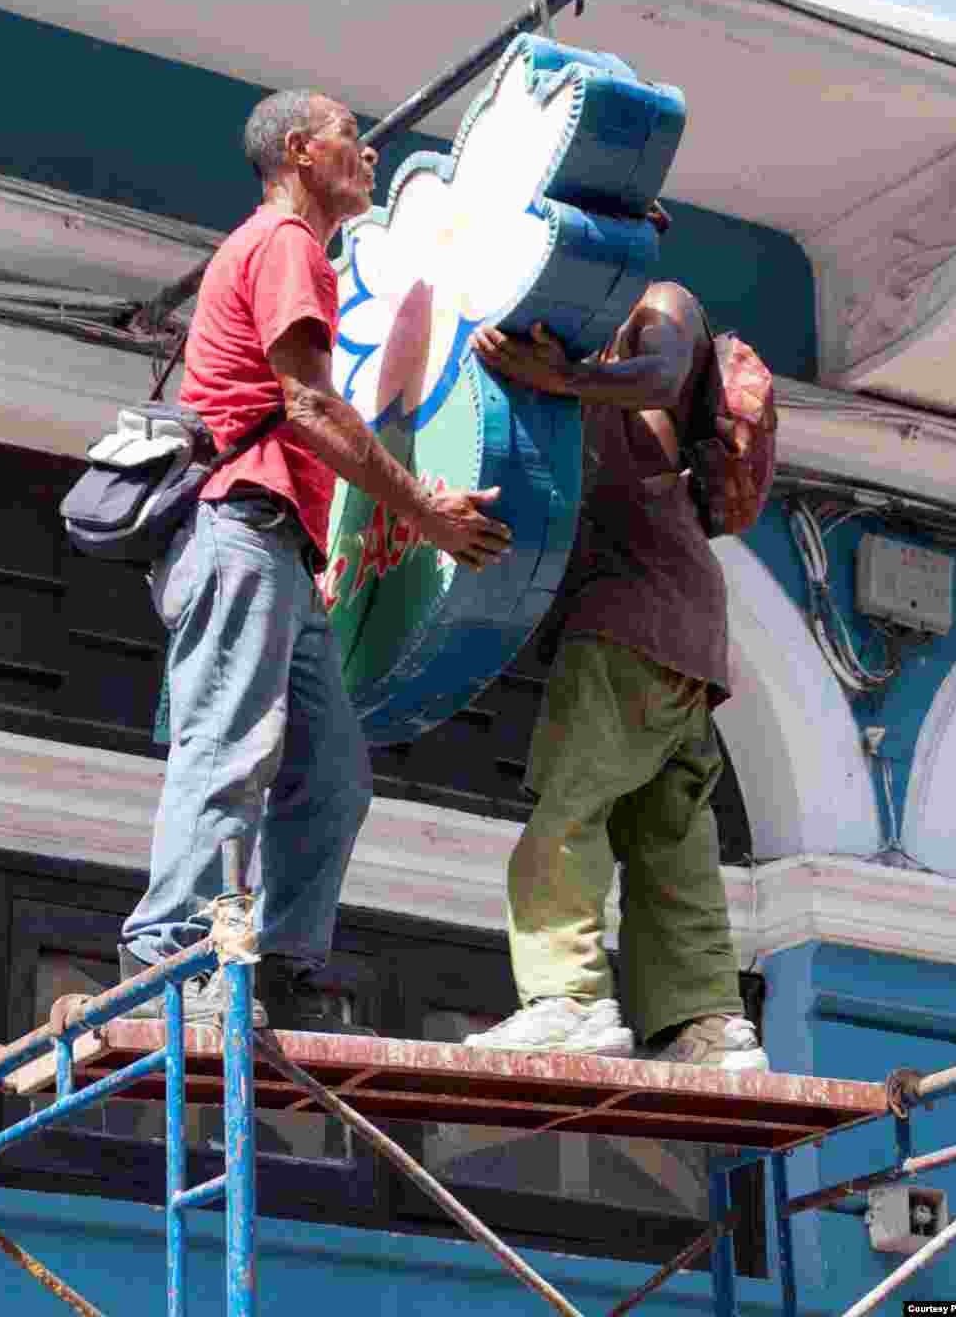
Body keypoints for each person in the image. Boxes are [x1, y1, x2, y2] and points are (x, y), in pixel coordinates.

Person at [119, 90, 512, 1026]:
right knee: (229, 744)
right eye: (353, 139)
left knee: (331, 775)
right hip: (241, 531)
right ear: (300, 150)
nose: (371, 156)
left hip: (275, 547)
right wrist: (423, 511)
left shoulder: (289, 248)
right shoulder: (285, 244)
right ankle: (169, 957)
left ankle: (285, 970)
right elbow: (309, 405)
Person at [464, 278, 767, 1071]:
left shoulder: (658, 306)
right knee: (670, 842)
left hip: (626, 622)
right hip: (683, 633)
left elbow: (661, 374)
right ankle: (703, 1024)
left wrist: (559, 379)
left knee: (570, 814)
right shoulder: (597, 347)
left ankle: (566, 1000)